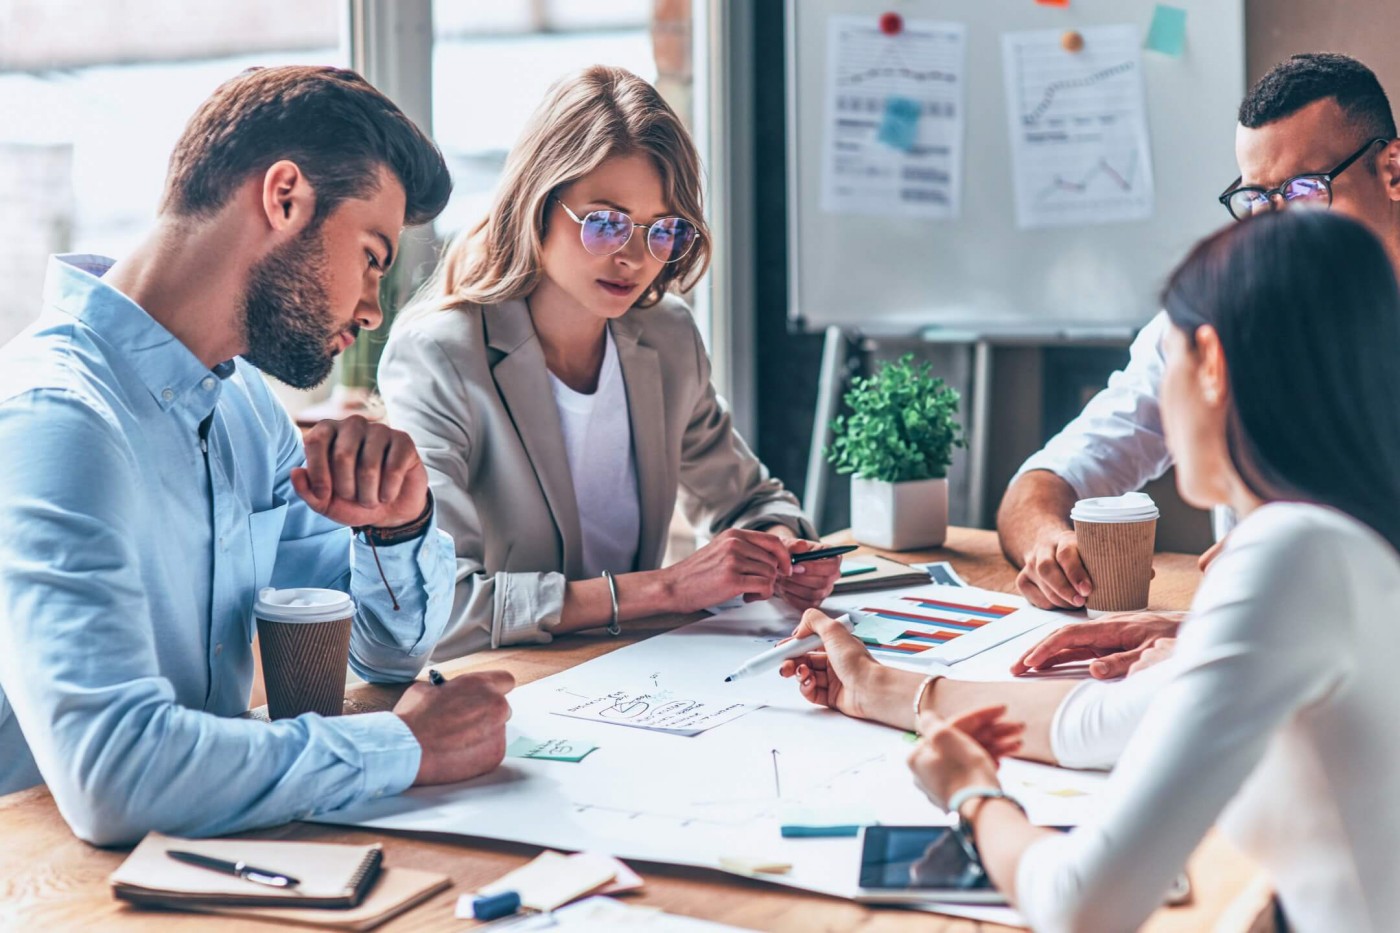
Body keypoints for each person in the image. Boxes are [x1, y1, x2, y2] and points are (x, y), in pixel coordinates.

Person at [788, 210, 1400, 930]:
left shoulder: (1287, 558)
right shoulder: (1347, 547)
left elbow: (1082, 904)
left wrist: (974, 796)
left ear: (1211, 363)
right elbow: (1103, 721)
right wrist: (877, 686)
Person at [0, 66, 515, 845]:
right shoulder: (58, 421)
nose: (373, 307)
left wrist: (395, 527)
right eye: (373, 255)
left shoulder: (244, 410)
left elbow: (386, 652)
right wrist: (407, 746)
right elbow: (114, 773)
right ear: (284, 198)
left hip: (212, 862)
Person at [378, 66, 839, 660]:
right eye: (604, 222)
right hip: (507, 684)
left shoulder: (667, 335)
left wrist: (780, 552)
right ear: (537, 205)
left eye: (661, 230)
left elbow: (751, 502)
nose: (633, 258)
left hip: (640, 674)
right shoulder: (441, 356)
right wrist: (666, 588)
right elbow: (443, 606)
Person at [1000, 53, 1400, 678]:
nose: (1272, 227)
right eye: (1256, 198)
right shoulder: (1213, 321)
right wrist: (1049, 541)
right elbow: (1050, 476)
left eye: (1302, 191)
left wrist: (1305, 555)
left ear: (1392, 169)